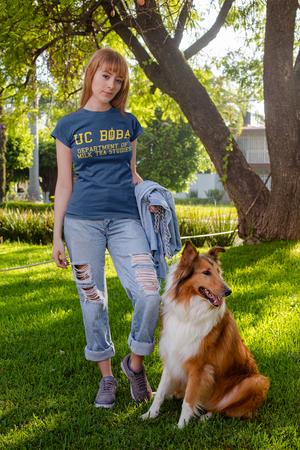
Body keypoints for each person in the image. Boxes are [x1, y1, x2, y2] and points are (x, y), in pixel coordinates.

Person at [51, 48, 161, 409]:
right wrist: (57, 237)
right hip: (81, 224)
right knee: (93, 301)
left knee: (149, 292)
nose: (111, 85)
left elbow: (131, 173)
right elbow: (64, 184)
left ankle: (135, 363)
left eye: (118, 80)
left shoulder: (128, 123)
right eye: (105, 76)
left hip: (125, 220)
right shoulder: (68, 126)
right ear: (91, 74)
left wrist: (151, 197)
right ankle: (107, 377)